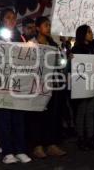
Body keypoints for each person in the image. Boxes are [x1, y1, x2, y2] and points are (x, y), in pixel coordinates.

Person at [0, 8, 32, 164]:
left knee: (19, 118)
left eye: (14, 18)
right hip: (2, 83)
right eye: (8, 18)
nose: (12, 20)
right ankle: (7, 152)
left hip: (17, 83)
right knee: (4, 117)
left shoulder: (20, 37)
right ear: (2, 20)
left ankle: (20, 150)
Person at [28, 16, 67, 158]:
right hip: (38, 85)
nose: (49, 28)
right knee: (38, 115)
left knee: (53, 115)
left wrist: (64, 55)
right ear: (38, 28)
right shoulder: (31, 44)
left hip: (53, 84)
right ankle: (37, 146)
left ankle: (51, 144)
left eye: (49, 25)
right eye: (45, 25)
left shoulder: (53, 45)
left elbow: (60, 64)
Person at [71, 25, 94, 151]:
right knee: (81, 112)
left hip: (92, 83)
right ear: (83, 34)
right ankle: (81, 138)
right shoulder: (76, 49)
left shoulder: (93, 48)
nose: (92, 34)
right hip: (81, 85)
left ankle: (89, 137)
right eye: (89, 32)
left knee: (90, 112)